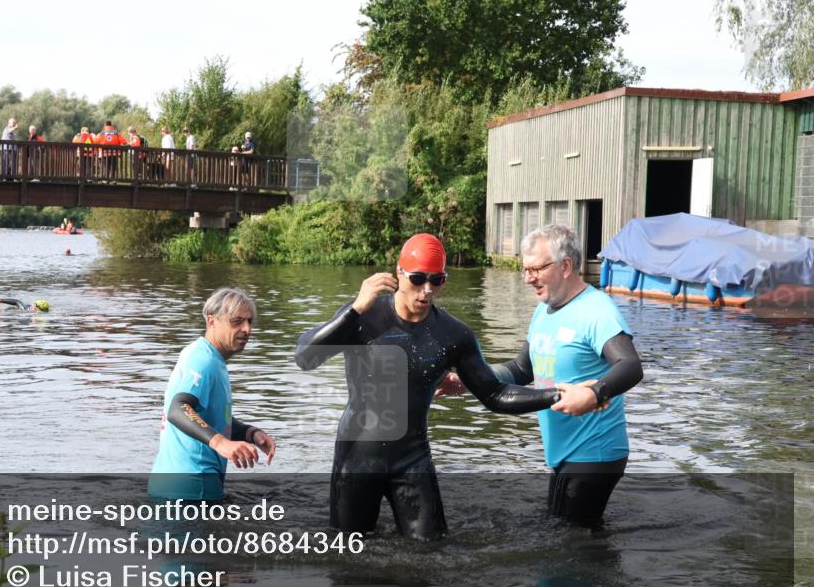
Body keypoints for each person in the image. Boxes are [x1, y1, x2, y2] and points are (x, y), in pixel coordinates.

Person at [294, 233, 562, 540]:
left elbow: (495, 394)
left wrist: (557, 395)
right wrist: (353, 309)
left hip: (412, 458)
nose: (427, 290)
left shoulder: (453, 335)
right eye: (418, 278)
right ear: (399, 273)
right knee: (348, 551)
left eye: (437, 280)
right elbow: (305, 358)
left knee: (431, 552)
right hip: (357, 457)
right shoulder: (363, 317)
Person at [436, 225, 643, 528]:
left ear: (566, 266)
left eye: (536, 269)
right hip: (565, 449)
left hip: (594, 451)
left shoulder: (597, 311)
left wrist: (594, 393)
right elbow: (522, 370)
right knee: (566, 532)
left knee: (571, 541)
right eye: (525, 269)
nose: (528, 278)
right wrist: (470, 380)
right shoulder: (544, 311)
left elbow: (630, 365)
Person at [149, 287, 276, 501]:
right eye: (237, 321)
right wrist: (221, 443)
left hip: (177, 487)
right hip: (191, 489)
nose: (247, 329)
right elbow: (178, 409)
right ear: (212, 321)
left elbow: (209, 416)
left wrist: (249, 433)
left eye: (249, 321)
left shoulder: (207, 357)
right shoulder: (203, 360)